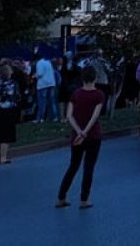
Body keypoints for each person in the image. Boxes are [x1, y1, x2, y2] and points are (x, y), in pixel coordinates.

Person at [56, 65, 104, 209]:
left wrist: (78, 132)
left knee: (73, 166)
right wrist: (85, 131)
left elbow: (69, 115)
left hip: (77, 137)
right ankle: (84, 200)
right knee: (88, 168)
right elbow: (95, 116)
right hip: (93, 135)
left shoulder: (76, 94)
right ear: (95, 78)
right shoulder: (99, 95)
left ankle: (61, 197)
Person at [0, 62, 20, 164]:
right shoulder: (12, 84)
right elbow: (17, 97)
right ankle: (3, 157)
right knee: (5, 135)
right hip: (7, 111)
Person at [34, 51, 57, 123]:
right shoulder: (48, 62)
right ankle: (54, 117)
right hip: (51, 83)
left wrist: (35, 76)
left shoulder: (39, 63)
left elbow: (40, 73)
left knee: (42, 102)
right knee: (52, 102)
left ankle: (40, 118)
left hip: (43, 85)